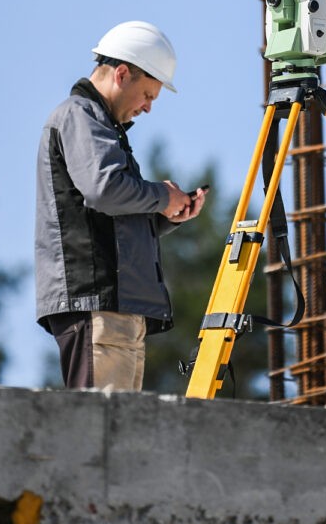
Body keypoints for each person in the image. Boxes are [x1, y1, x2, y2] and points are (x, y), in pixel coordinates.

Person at [34, 20, 209, 391]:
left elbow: (108, 215)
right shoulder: (79, 115)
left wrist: (166, 215)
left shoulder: (101, 126)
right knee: (101, 436)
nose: (147, 108)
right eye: (147, 95)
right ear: (123, 73)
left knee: (121, 437)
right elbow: (105, 190)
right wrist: (161, 196)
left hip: (116, 310)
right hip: (97, 305)